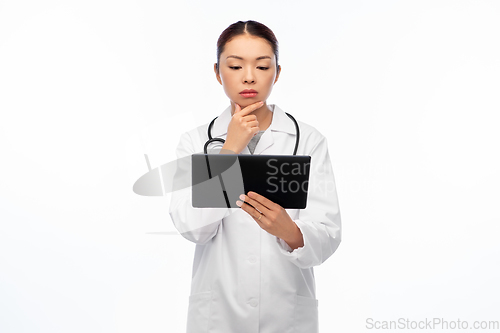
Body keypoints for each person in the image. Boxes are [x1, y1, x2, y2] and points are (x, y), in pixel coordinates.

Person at [169, 20, 341, 333]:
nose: (249, 77)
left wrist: (289, 231)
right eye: (235, 66)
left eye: (262, 66)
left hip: (287, 314)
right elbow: (193, 228)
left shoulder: (308, 140)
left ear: (277, 71)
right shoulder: (195, 142)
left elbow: (329, 233)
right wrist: (229, 150)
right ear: (217, 72)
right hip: (219, 315)